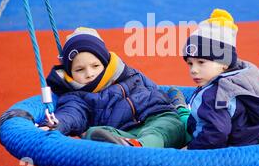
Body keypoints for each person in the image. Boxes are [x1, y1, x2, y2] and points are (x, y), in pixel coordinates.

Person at [40, 27, 185, 148]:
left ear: (105, 63)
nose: (89, 74)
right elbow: (71, 115)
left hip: (156, 118)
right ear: (70, 72)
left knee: (162, 129)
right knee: (93, 133)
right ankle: (130, 146)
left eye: (95, 66)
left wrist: (177, 105)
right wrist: (55, 124)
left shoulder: (128, 74)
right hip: (123, 133)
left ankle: (139, 148)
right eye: (79, 70)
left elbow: (156, 91)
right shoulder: (76, 97)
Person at [173, 8, 259, 150]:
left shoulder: (214, 95)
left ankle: (176, 107)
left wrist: (190, 150)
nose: (193, 70)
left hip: (221, 159)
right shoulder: (247, 82)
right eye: (190, 63)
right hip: (250, 152)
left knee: (174, 125)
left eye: (201, 62)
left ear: (224, 63)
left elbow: (217, 133)